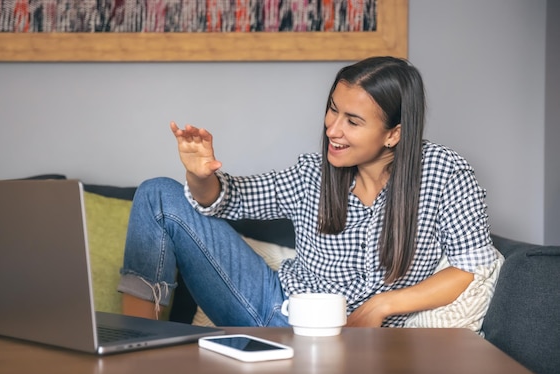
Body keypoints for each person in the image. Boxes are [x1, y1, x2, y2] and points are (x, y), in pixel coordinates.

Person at [118, 56, 499, 328]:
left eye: (352, 121)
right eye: (333, 110)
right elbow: (227, 199)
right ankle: (132, 347)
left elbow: (472, 265)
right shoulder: (312, 173)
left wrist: (383, 305)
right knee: (158, 194)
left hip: (359, 345)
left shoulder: (445, 172)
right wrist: (200, 174)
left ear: (393, 134)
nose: (333, 129)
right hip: (275, 312)